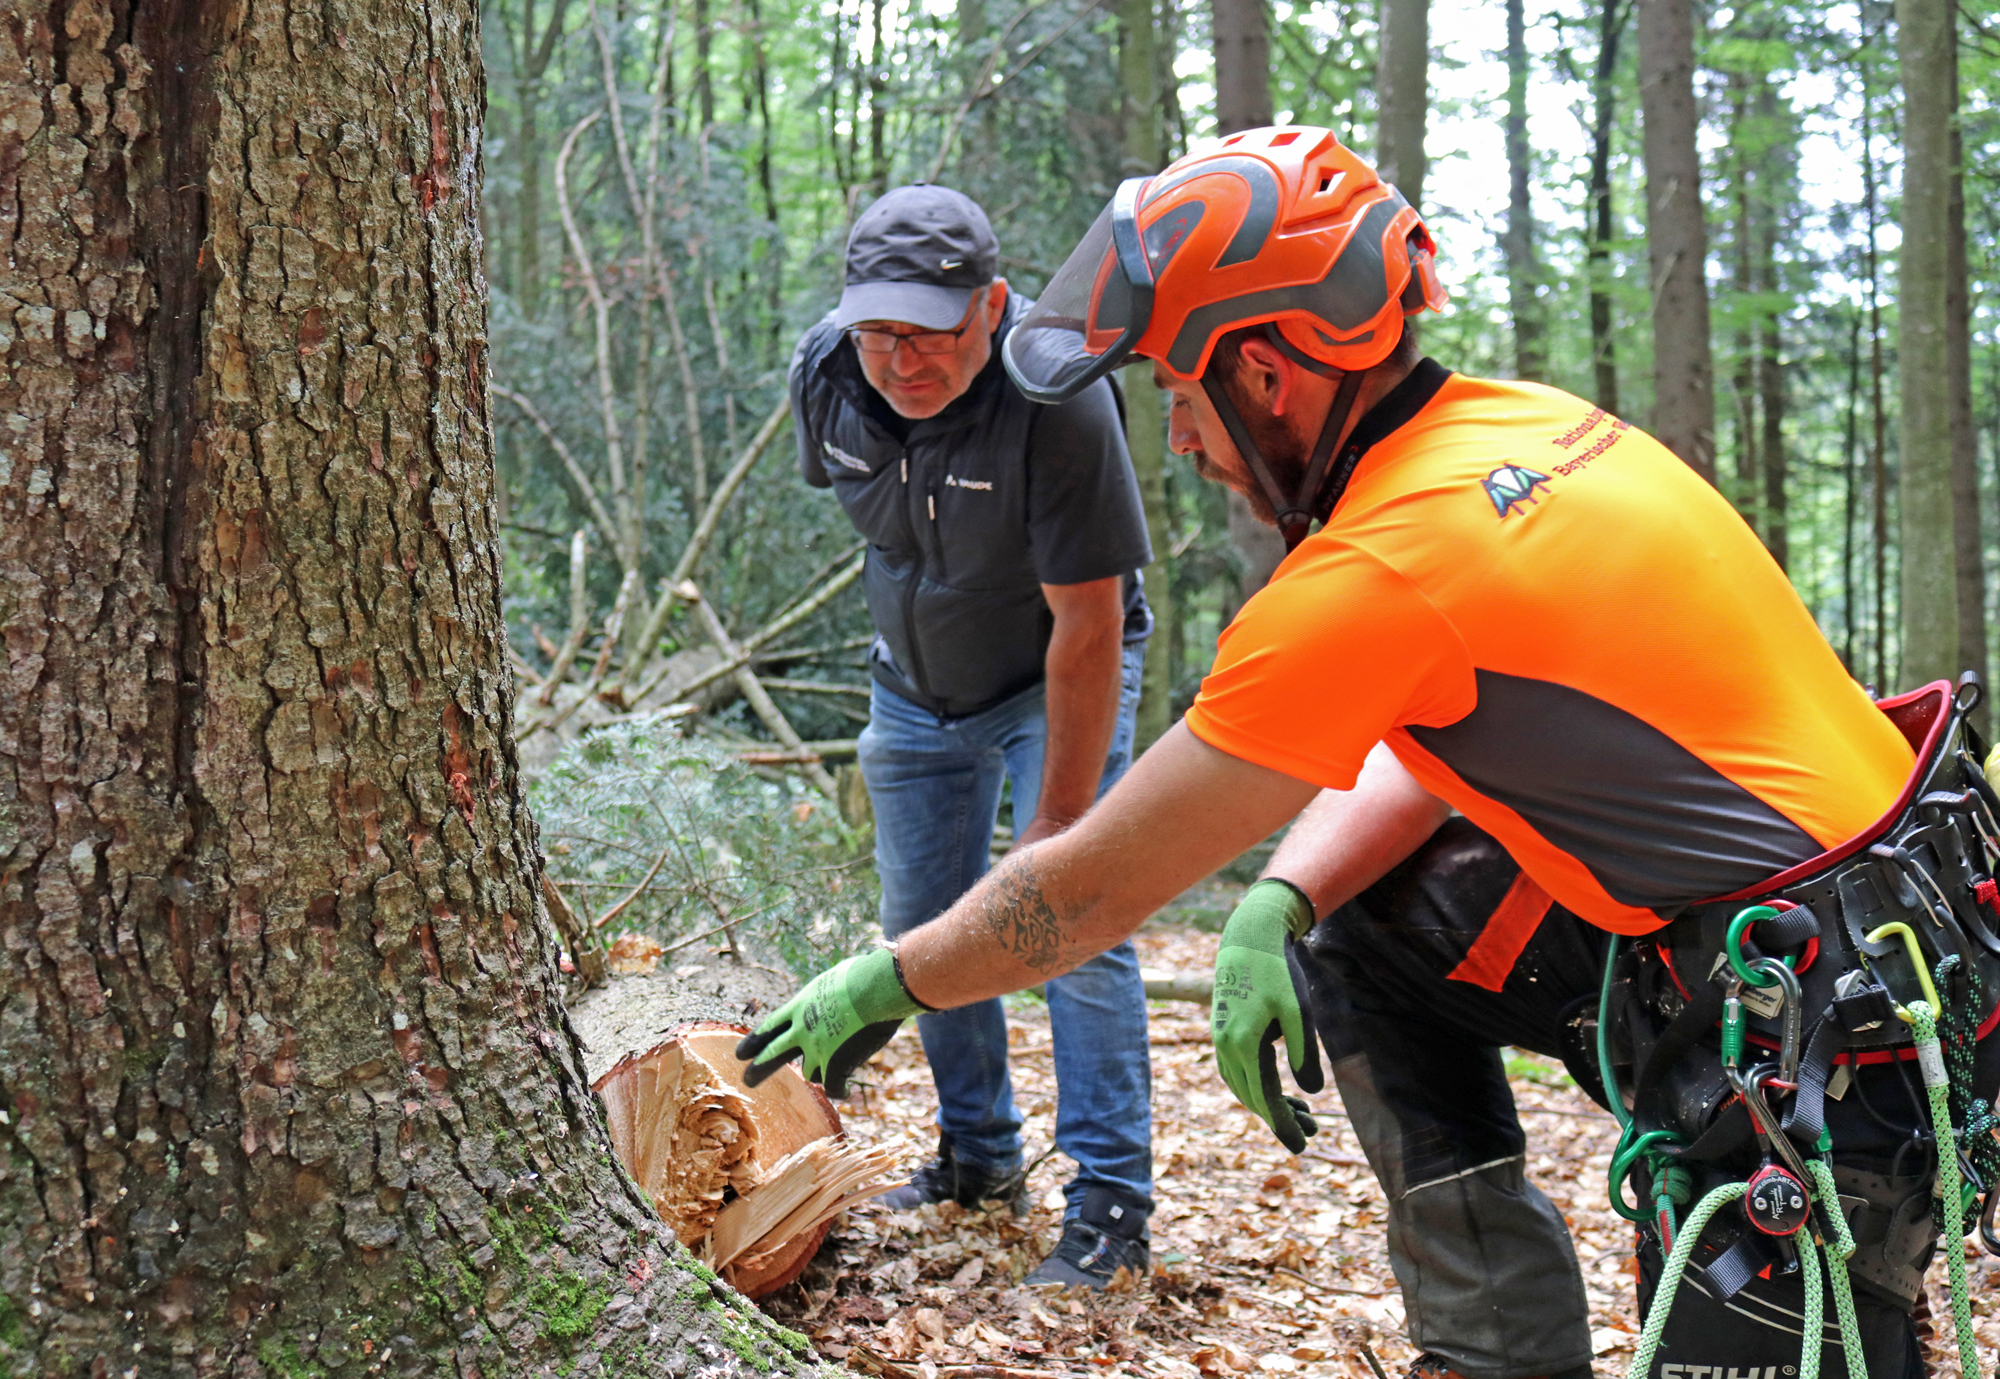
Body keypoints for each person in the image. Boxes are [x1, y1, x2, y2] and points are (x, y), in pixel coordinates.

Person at [747, 127, 2000, 1372]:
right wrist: (1279, 897)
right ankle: (1495, 1346)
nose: (1178, 444)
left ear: (1266, 375)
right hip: (1887, 934)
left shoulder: (1371, 571)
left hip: (1829, 1038)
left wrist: (885, 980)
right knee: (1361, 918)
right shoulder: (1519, 431)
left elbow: (1082, 894)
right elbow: (1436, 726)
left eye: (1182, 398)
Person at [786, 184, 1159, 1289]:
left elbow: (1089, 622)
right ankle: (978, 1156)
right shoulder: (826, 375)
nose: (903, 358)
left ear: (992, 306)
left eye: (933, 331)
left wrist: (1052, 830)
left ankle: (1109, 1202)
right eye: (880, 328)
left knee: (1072, 921)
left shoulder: (1059, 402)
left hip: (1056, 675)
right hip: (911, 688)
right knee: (924, 927)